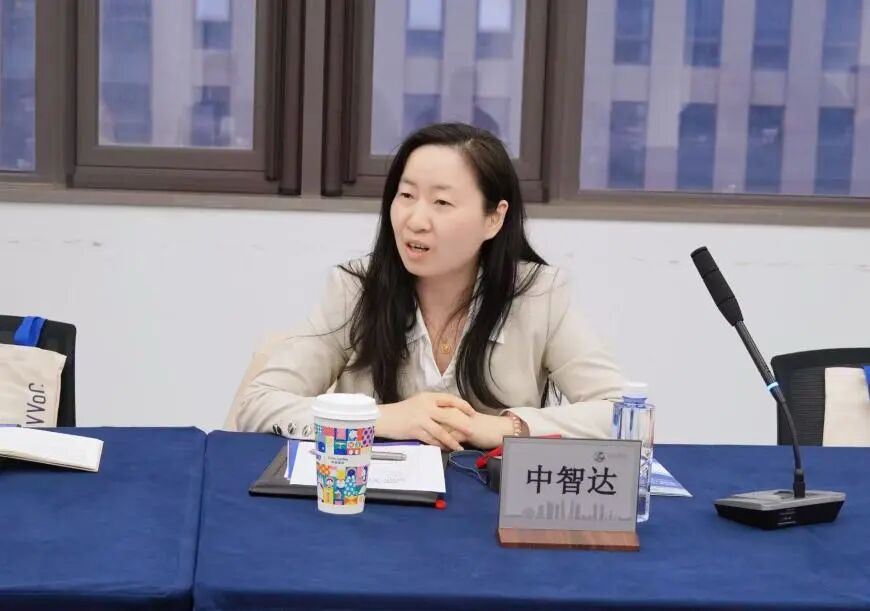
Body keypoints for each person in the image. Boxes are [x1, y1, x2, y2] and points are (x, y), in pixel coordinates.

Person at [225, 123, 624, 450]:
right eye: (406, 195)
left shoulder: (539, 296)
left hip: (489, 512)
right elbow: (258, 404)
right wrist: (381, 418)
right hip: (374, 507)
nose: (415, 220)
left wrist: (504, 428)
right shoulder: (355, 291)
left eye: (441, 203)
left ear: (494, 218)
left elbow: (625, 415)